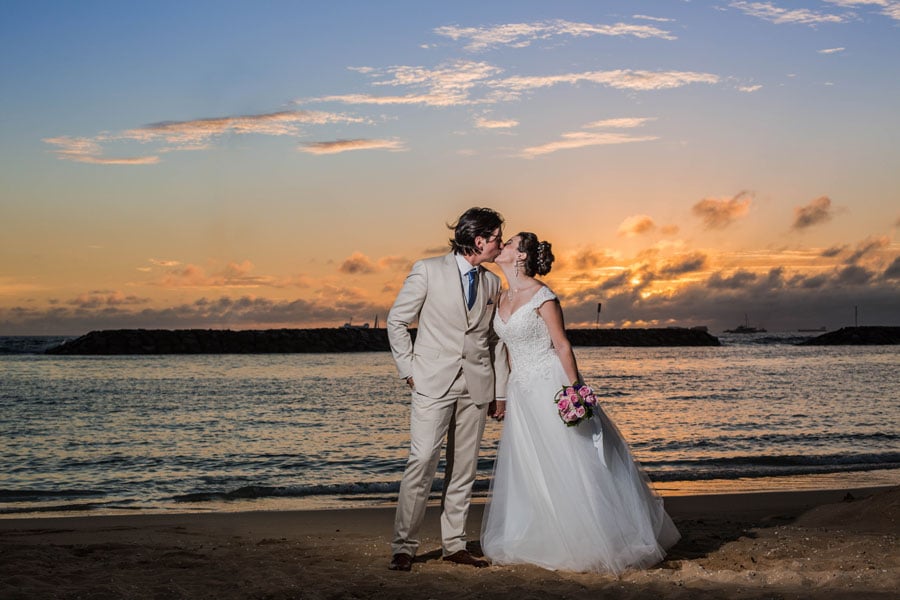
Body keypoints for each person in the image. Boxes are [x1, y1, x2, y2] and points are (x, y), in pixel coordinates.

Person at [480, 232, 680, 573]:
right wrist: (504, 392)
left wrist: (575, 392)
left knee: (570, 458)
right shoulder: (500, 297)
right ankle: (539, 532)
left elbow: (562, 346)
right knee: (532, 464)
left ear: (521, 256)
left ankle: (590, 536)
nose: (503, 246)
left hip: (551, 385)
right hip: (522, 390)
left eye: (510, 243)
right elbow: (506, 351)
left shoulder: (542, 296)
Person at [387, 207, 509, 572]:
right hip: (431, 382)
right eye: (497, 238)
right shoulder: (427, 270)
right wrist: (409, 371)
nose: (500, 244)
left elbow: (494, 340)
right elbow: (396, 321)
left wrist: (499, 391)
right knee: (422, 461)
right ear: (479, 240)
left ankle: (453, 544)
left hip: (476, 385)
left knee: (464, 468)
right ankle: (404, 546)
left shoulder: (492, 283)